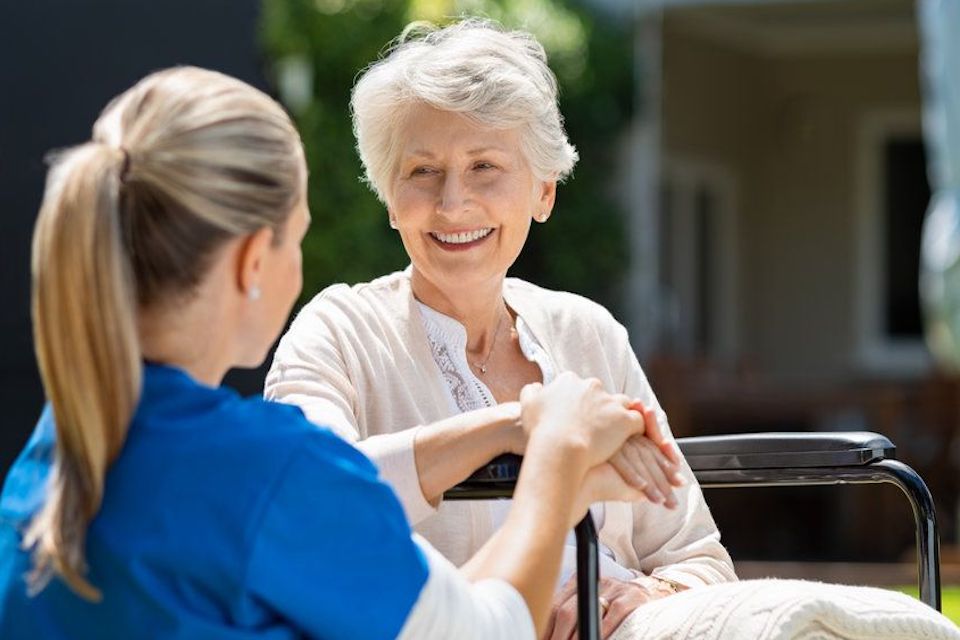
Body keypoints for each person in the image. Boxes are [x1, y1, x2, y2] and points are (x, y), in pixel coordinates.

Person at [0, 66, 672, 639]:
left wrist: (521, 431)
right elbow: (483, 632)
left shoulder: (57, 450)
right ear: (250, 262)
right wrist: (556, 452)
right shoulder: (271, 470)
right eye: (297, 237)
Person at [265, 18, 736, 639]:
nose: (453, 203)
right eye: (422, 171)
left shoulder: (588, 332)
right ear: (389, 197)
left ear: (543, 192)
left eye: (484, 166)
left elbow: (698, 557)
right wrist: (518, 426)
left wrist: (638, 595)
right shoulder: (338, 331)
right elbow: (310, 500)